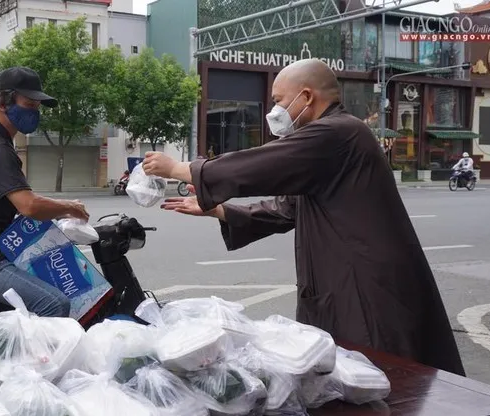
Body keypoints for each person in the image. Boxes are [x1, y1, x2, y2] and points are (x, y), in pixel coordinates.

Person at [143, 58, 465, 376]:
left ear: (307, 97)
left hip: (365, 288)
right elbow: (287, 209)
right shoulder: (330, 142)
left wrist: (180, 168)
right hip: (346, 283)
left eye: (279, 101)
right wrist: (219, 210)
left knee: (379, 375)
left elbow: (263, 164)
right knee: (352, 375)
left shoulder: (338, 133)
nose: (274, 112)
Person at [0, 66, 89, 317]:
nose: (34, 111)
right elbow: (28, 205)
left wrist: (56, 213)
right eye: (29, 104)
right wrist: (69, 207)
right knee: (55, 304)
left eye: (37, 106)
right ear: (2, 101)